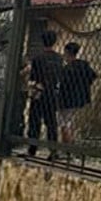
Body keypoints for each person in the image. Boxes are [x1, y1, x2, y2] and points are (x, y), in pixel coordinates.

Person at [26, 30, 65, 158]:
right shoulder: (59, 59)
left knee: (35, 121)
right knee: (51, 122)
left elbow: (33, 78)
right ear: (54, 42)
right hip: (52, 93)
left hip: (39, 92)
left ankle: (32, 148)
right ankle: (53, 150)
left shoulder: (38, 58)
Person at [59, 42, 98, 145]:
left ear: (67, 53)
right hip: (80, 98)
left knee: (64, 122)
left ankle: (67, 145)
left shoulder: (68, 68)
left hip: (67, 99)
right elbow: (93, 76)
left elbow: (63, 83)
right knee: (70, 121)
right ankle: (69, 143)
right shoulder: (84, 65)